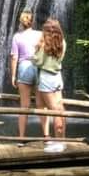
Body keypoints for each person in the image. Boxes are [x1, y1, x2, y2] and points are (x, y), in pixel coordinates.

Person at [33, 18, 67, 152]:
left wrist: (36, 50)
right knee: (60, 110)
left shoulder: (45, 45)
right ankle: (62, 140)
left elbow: (38, 62)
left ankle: (58, 144)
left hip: (46, 78)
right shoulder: (63, 43)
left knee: (55, 111)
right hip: (57, 77)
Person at [10, 9, 42, 145]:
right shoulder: (40, 34)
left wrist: (13, 75)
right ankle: (46, 137)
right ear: (32, 22)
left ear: (21, 23)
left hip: (23, 67)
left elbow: (14, 57)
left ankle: (21, 138)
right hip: (38, 66)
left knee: (24, 106)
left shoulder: (17, 37)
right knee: (42, 106)